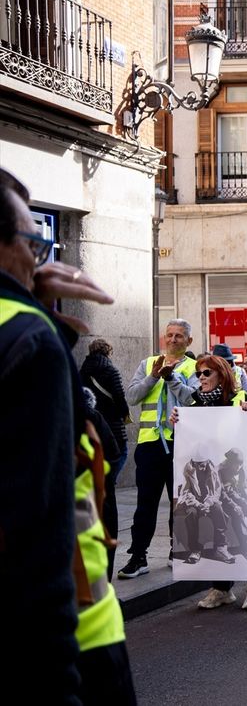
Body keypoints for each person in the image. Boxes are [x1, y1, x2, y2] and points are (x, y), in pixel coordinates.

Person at [0, 168, 134, 702]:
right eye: (33, 244)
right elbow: (38, 521)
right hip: (71, 635)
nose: (39, 261)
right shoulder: (26, 337)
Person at [171, 356, 247, 610]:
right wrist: (179, 423)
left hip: (235, 481)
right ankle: (221, 588)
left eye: (206, 373)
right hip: (211, 482)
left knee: (242, 521)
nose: (201, 378)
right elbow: (192, 447)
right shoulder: (196, 404)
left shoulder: (241, 399)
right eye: (198, 374)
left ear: (221, 375)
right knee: (214, 527)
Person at [119, 318, 198, 578]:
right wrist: (154, 376)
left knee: (180, 503)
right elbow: (132, 397)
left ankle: (178, 550)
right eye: (169, 334)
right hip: (150, 444)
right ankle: (138, 556)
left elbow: (195, 400)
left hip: (182, 443)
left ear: (189, 341)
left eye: (179, 335)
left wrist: (171, 378)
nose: (173, 339)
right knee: (146, 503)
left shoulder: (195, 366)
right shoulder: (147, 363)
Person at [81, 338, 130, 578]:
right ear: (108, 351)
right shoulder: (111, 369)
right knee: (119, 456)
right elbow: (119, 396)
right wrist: (124, 413)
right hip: (110, 425)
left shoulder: (82, 369)